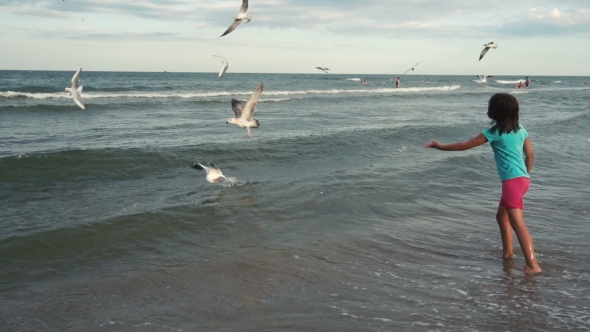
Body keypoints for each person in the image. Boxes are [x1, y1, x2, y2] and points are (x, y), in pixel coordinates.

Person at [424, 93, 541, 275]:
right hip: (522, 180)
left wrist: (440, 146)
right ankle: (507, 254)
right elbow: (531, 155)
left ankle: (533, 266)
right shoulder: (522, 130)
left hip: (511, 183)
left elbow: (465, 145)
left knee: (518, 223)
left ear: (495, 111)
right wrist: (525, 175)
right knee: (501, 218)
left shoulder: (494, 132)